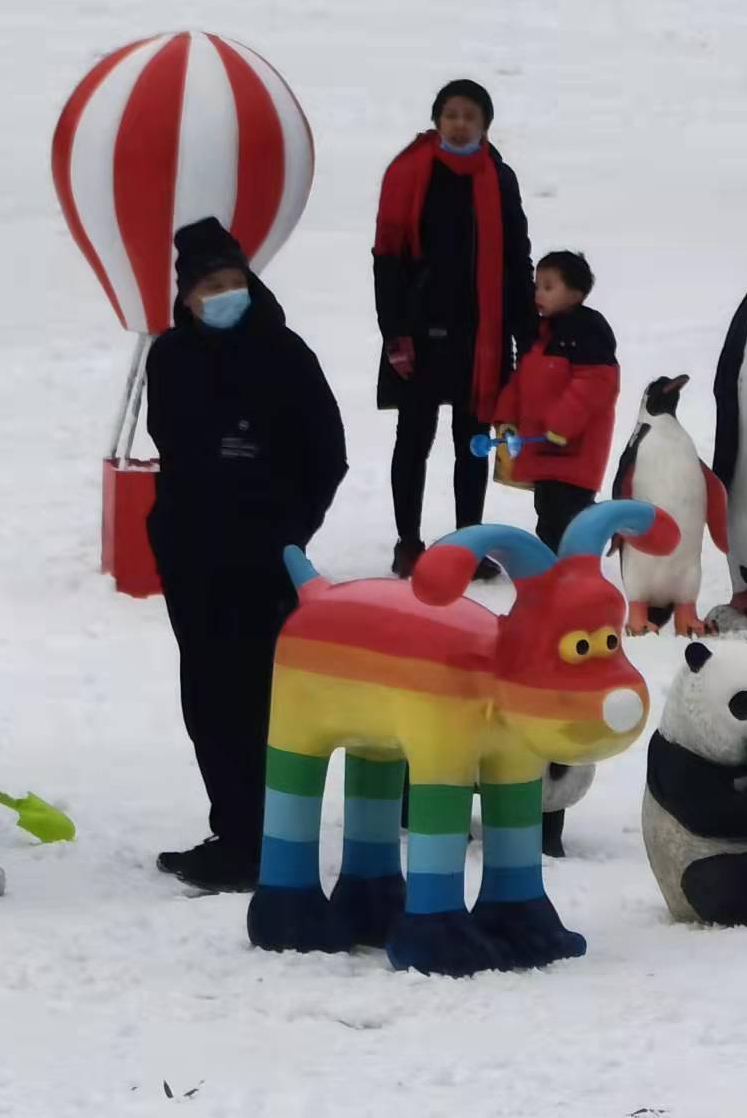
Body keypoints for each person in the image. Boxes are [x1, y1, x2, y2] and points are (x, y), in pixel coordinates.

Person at [147, 218, 348, 892]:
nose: (225, 293)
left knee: (258, 694)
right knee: (207, 694)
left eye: (234, 281)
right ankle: (234, 831)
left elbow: (326, 454)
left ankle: (267, 839)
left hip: (263, 556)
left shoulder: (285, 353)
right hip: (192, 553)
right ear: (187, 296)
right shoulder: (170, 356)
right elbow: (173, 444)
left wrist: (289, 531)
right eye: (211, 285)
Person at [373, 79, 534, 579]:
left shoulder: (499, 178)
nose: (460, 123)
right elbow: (387, 259)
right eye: (452, 114)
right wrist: (394, 331)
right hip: (418, 334)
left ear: (485, 125)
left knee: (473, 443)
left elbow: (516, 256)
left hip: (480, 335)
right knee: (413, 438)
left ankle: (469, 544)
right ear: (438, 119)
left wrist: (525, 330)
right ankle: (408, 544)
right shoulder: (408, 173)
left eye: (470, 116)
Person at [492, 251, 621, 550]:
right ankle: (556, 573)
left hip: (574, 448)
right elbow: (522, 379)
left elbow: (595, 385)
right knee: (547, 517)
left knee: (570, 517)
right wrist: (506, 417)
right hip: (543, 447)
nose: (539, 294)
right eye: (538, 286)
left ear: (576, 293)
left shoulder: (588, 331)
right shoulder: (542, 334)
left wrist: (563, 424)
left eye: (549, 287)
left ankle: (578, 568)